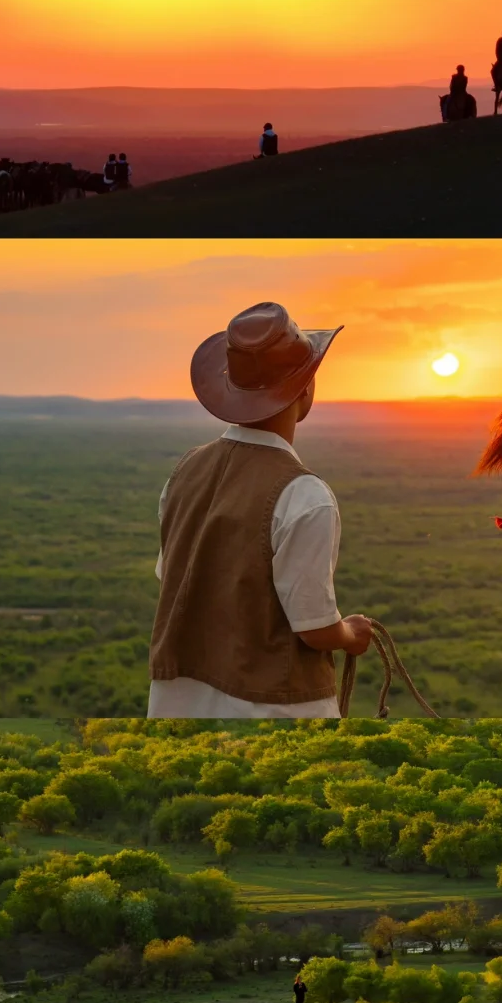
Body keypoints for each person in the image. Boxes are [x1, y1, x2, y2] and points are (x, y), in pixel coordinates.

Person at [147, 300, 373, 720]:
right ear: (304, 390)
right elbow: (314, 627)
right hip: (274, 713)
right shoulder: (306, 496)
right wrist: (351, 634)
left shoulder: (184, 471)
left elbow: (172, 576)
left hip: (175, 706)